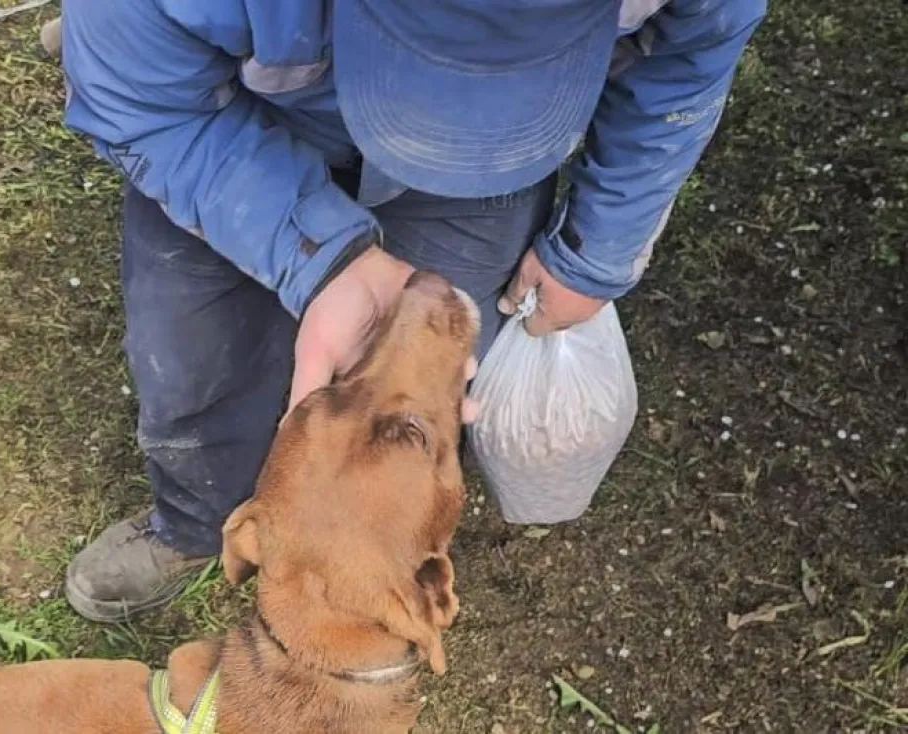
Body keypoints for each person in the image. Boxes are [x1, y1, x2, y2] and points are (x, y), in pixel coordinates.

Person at [57, 0, 766, 622]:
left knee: (425, 385)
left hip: (502, 168)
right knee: (193, 359)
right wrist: (323, 259)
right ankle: (196, 520)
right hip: (236, 124)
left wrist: (594, 252)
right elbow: (144, 108)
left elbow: (687, 62)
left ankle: (374, 558)